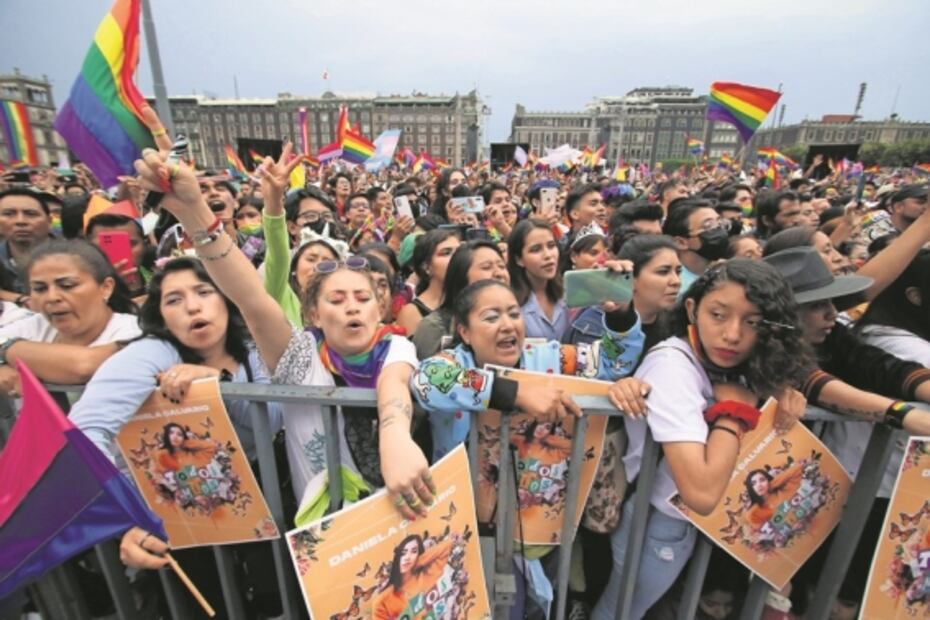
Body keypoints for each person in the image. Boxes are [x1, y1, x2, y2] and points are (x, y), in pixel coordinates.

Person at [132, 142, 434, 522]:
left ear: (379, 310)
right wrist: (193, 210)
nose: (352, 306)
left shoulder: (396, 348)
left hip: (398, 515)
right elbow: (250, 298)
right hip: (325, 531)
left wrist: (395, 439)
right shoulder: (300, 355)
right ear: (314, 315)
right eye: (336, 299)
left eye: (362, 297)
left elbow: (394, 386)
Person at [593, 259, 811, 620]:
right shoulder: (672, 367)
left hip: (686, 525)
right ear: (693, 309)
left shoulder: (727, 361)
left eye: (752, 322)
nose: (732, 334)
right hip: (659, 523)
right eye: (719, 315)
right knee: (621, 611)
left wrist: (781, 392)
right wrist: (732, 413)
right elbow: (701, 493)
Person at [0, 240, 141, 395]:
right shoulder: (33, 326)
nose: (52, 297)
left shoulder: (134, 329)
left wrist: (6, 349)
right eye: (40, 289)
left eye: (67, 286)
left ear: (105, 288)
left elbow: (83, 366)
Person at [411, 239, 509, 359]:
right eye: (486, 267)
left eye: (502, 266)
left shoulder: (518, 318)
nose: (499, 273)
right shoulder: (434, 326)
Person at [508, 219, 567, 340]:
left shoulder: (569, 293)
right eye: (536, 249)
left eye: (551, 246)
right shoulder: (510, 302)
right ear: (519, 259)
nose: (548, 255)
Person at [371, 534, 454, 620]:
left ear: (420, 554)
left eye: (414, 551)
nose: (407, 557)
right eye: (403, 553)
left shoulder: (427, 575)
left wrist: (417, 562)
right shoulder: (383, 600)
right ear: (397, 557)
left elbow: (444, 550)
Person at [395, 229, 460, 336]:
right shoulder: (412, 313)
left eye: (459, 252)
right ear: (426, 267)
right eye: (446, 253)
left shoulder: (473, 298)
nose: (456, 257)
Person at [663, 199, 732, 296]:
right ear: (681, 242)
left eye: (720, 223)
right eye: (708, 226)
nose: (719, 230)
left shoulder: (722, 273)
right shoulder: (673, 287)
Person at [0, 187, 52, 301]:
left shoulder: (77, 255)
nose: (20, 221)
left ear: (49, 221)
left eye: (31, 214)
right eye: (9, 214)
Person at [744, 463, 805, 532]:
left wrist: (771, 485)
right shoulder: (753, 512)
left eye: (762, 480)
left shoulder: (783, 491)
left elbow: (797, 469)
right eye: (753, 484)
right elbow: (764, 533)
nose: (759, 485)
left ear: (768, 480)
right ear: (750, 489)